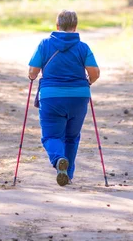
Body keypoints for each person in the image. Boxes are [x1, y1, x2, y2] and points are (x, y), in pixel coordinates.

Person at [28, 10, 100, 186]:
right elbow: (95, 73)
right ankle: (67, 174)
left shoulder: (44, 44)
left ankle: (59, 159)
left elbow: (32, 72)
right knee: (72, 137)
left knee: (51, 136)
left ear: (57, 25)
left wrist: (33, 77)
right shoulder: (83, 47)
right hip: (78, 97)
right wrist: (88, 82)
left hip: (51, 97)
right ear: (75, 27)